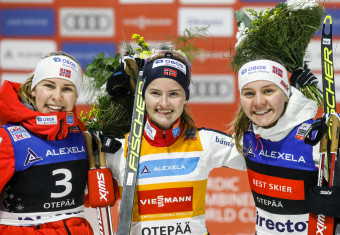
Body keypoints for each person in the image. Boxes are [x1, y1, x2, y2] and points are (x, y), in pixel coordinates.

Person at [103, 49, 246, 235]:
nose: (164, 103)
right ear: (143, 95)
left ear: (186, 96)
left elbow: (264, 157)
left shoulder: (205, 142)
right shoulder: (119, 150)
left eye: (173, 94)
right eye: (155, 93)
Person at [230, 57, 340, 235]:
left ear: (285, 93)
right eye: (249, 93)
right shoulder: (244, 137)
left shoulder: (316, 140)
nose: (258, 102)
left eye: (268, 91)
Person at [0, 51, 94, 235]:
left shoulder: (82, 135)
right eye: (49, 86)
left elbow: (97, 194)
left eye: (67, 89)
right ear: (33, 90)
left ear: (76, 97)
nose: (57, 97)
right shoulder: (9, 139)